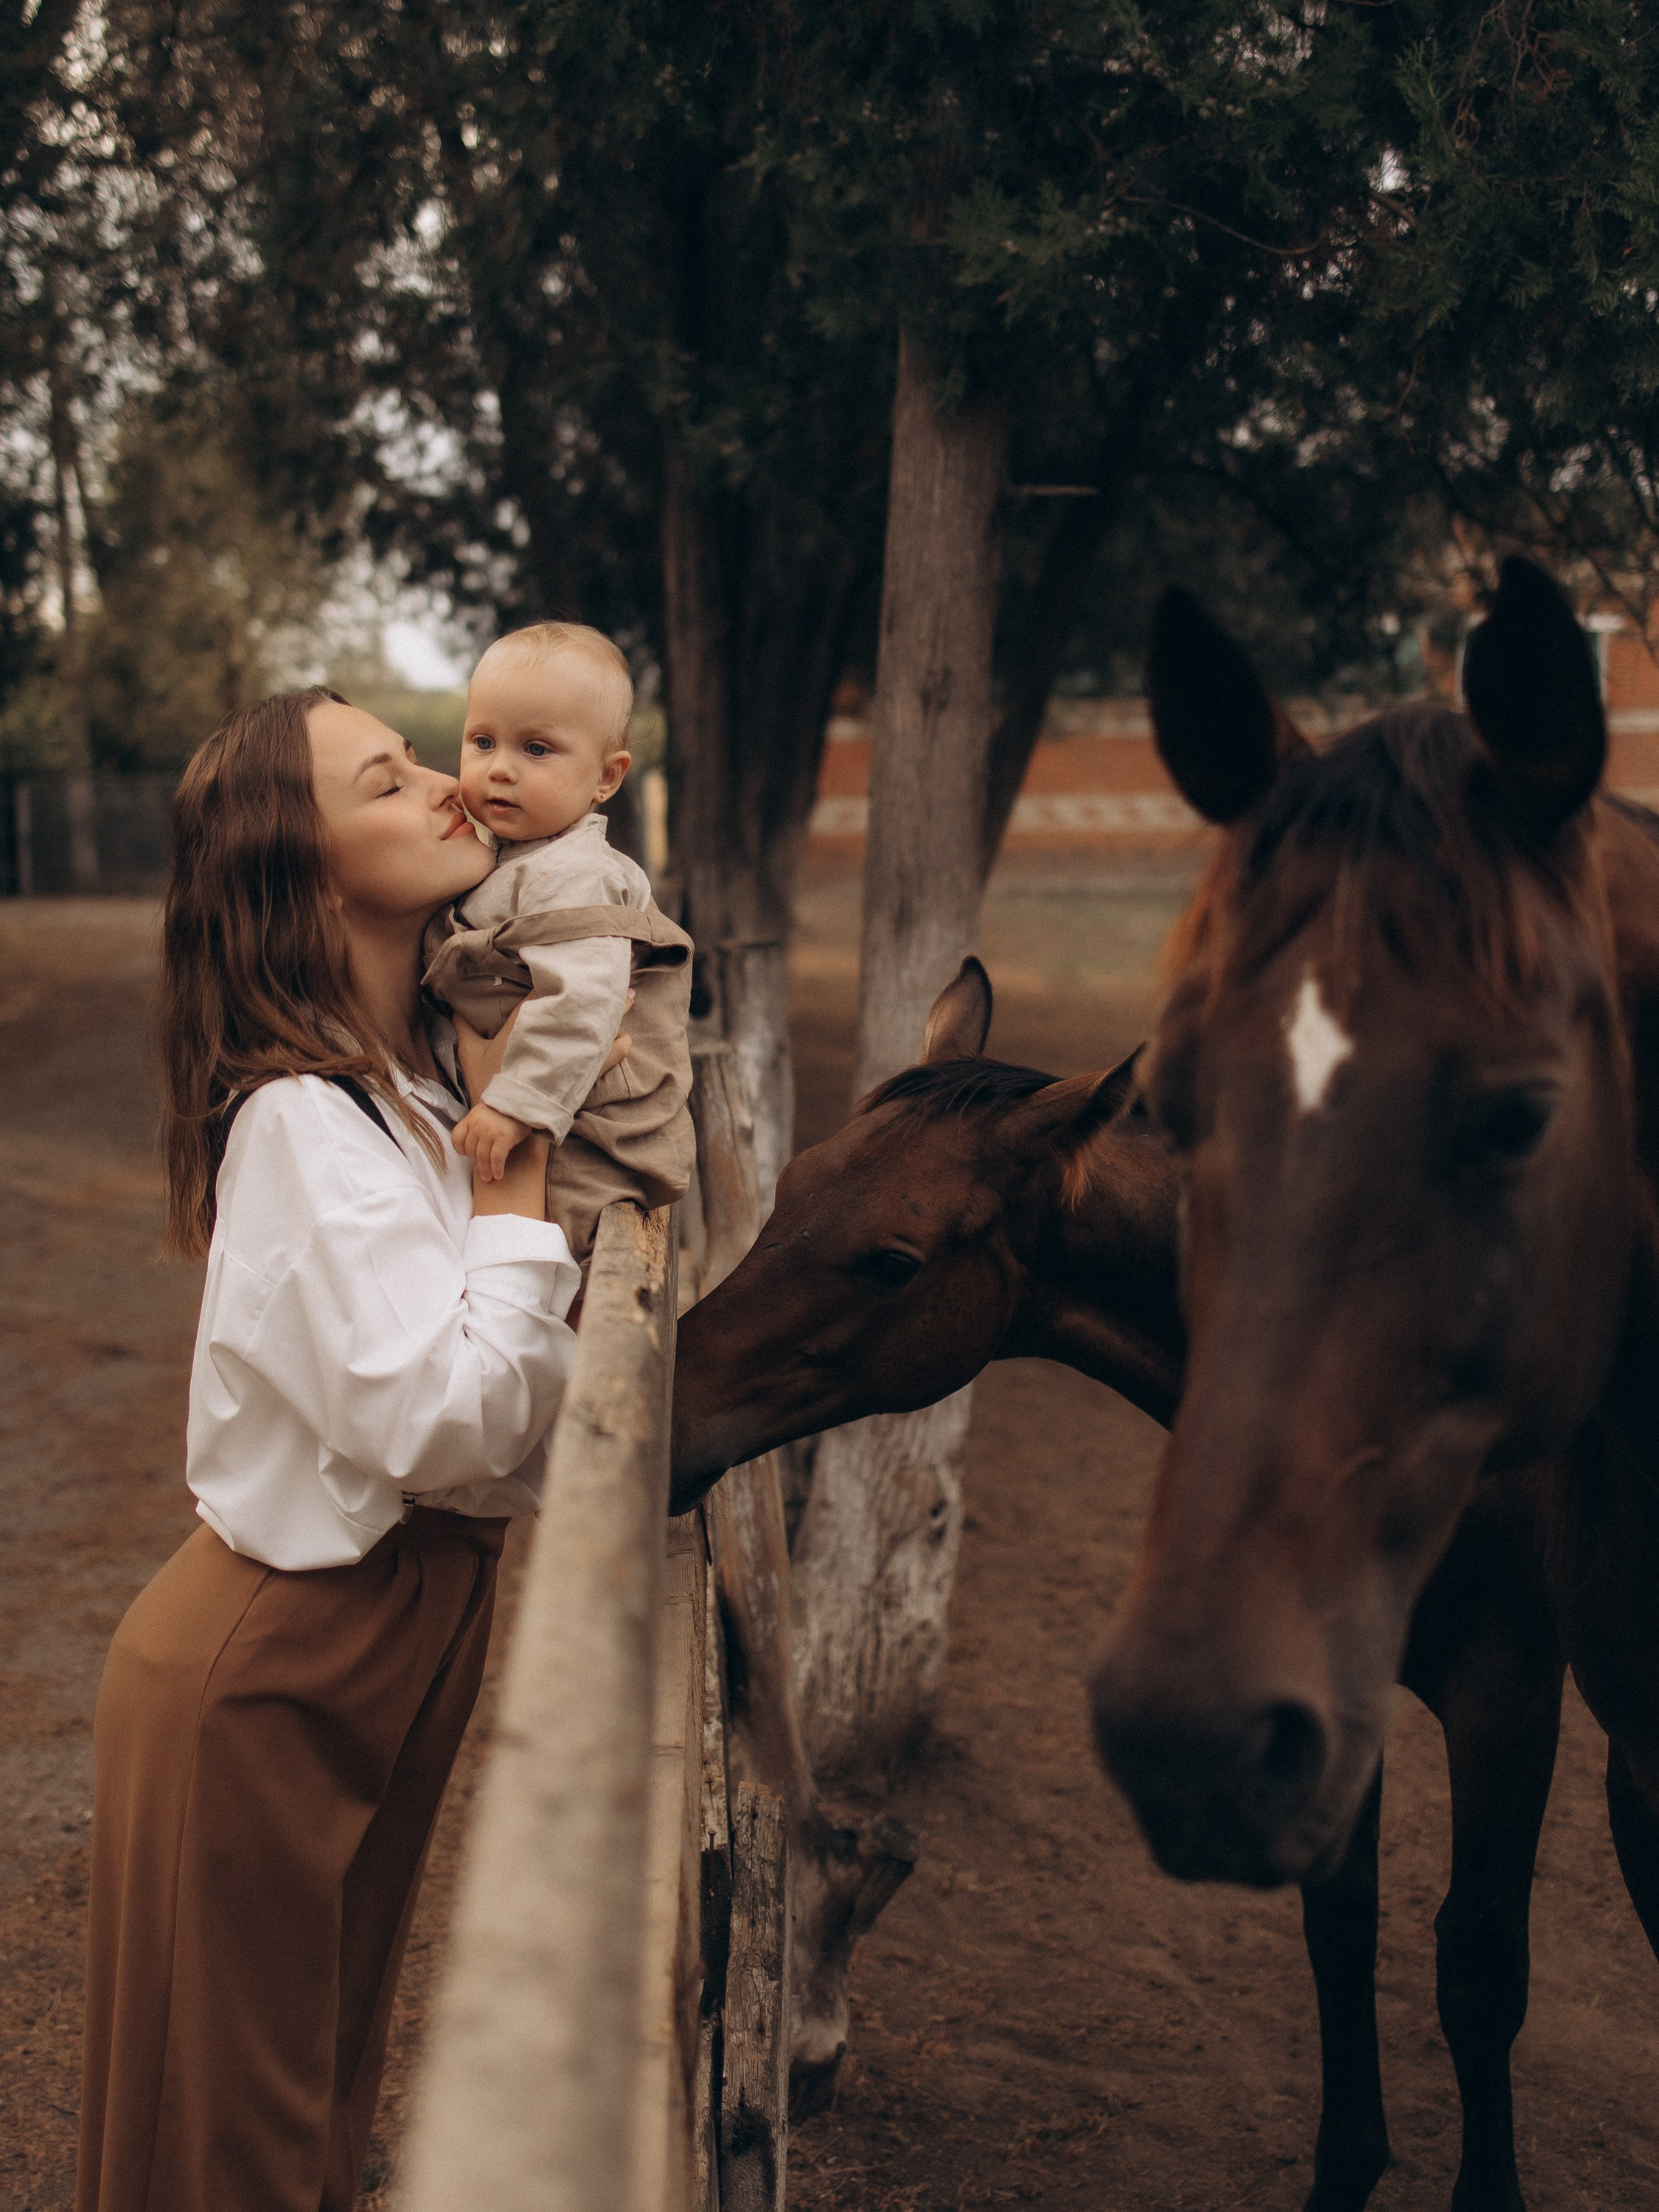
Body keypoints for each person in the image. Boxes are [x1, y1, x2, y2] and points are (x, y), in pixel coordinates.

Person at [75, 687, 627, 2212]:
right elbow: (444, 1419)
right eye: (385, 783)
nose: (450, 784)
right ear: (306, 876)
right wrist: (515, 1202)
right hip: (276, 1658)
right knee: (229, 2136)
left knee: (319, 2095)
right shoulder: (302, 1129)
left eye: (416, 756)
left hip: (399, 1624)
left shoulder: (429, 1085)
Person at [422, 622, 694, 1264]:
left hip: (595, 1136)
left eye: (537, 749)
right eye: (482, 741)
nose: (500, 768)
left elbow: (584, 1003)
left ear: (606, 777)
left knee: (569, 1270)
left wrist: (516, 1105)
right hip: (557, 1115)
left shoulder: (577, 874)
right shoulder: (515, 861)